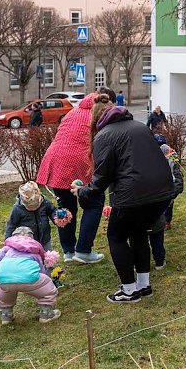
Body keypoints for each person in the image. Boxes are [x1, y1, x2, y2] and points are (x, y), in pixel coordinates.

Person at [72, 95, 174, 303]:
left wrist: (82, 192)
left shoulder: (104, 136)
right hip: (162, 192)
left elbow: (101, 179)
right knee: (138, 234)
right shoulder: (139, 126)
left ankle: (129, 290)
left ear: (95, 119)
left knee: (116, 236)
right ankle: (144, 285)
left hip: (132, 195)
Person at [37, 90, 115, 264]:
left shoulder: (73, 111)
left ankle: (68, 251)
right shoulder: (100, 114)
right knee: (93, 204)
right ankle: (84, 251)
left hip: (56, 159)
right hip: (80, 161)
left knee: (65, 207)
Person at [0, 226, 61, 325]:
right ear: (32, 238)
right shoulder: (34, 251)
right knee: (47, 285)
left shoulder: (6, 249)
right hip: (29, 279)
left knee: (4, 290)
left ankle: (6, 315)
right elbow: (41, 270)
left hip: (5, 280)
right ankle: (46, 313)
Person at [148, 140, 184, 270]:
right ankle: (158, 261)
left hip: (145, 206)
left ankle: (155, 261)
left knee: (149, 236)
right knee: (154, 235)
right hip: (156, 208)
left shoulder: (152, 161)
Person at [4, 181, 58, 251]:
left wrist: (56, 218)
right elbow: (11, 224)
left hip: (45, 239)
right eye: (31, 207)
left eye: (36, 206)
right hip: (27, 243)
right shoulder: (18, 208)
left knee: (47, 257)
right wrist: (8, 241)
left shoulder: (44, 202)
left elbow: (52, 211)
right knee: (32, 258)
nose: (34, 209)